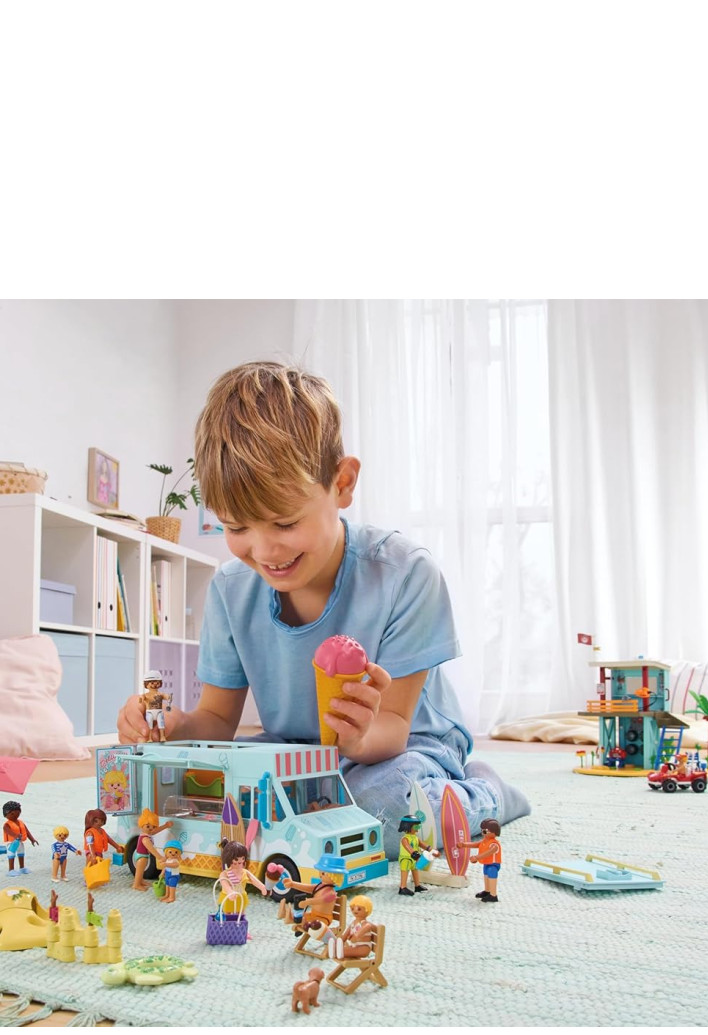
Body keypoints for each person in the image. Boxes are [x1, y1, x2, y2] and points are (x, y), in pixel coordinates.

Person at [115, 362, 529, 861]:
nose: (264, 551)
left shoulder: (405, 573)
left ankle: (486, 793)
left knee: (385, 814)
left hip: (399, 747)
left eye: (285, 522)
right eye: (236, 527)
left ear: (343, 483)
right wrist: (171, 725)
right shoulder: (230, 589)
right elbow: (218, 721)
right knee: (195, 801)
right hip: (294, 752)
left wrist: (358, 737)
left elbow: (394, 726)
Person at [457, 818, 502, 902]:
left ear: (493, 832)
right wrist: (464, 844)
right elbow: (475, 844)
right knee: (486, 876)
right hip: (487, 863)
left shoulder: (494, 844)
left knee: (491, 876)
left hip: (493, 864)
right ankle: (487, 891)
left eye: (485, 831)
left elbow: (488, 853)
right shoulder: (485, 841)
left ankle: (493, 895)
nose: (483, 833)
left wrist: (477, 857)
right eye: (482, 831)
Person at [2, 801, 37, 875]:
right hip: (12, 843)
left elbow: (26, 831)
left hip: (20, 842)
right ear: (6, 814)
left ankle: (22, 867)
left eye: (18, 813)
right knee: (11, 855)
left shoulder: (21, 822)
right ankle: (11, 869)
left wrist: (32, 839)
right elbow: (7, 831)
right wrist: (15, 835)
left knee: (21, 854)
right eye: (12, 814)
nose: (15, 815)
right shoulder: (7, 825)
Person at [139, 671, 172, 743]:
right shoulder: (146, 695)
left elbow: (166, 696)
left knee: (161, 724)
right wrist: (141, 698)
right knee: (149, 725)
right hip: (149, 712)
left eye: (157, 683)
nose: (155, 685)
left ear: (160, 683)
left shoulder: (160, 694)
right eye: (152, 683)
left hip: (159, 711)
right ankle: (149, 738)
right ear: (146, 684)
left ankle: (162, 737)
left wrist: (168, 697)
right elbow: (141, 698)